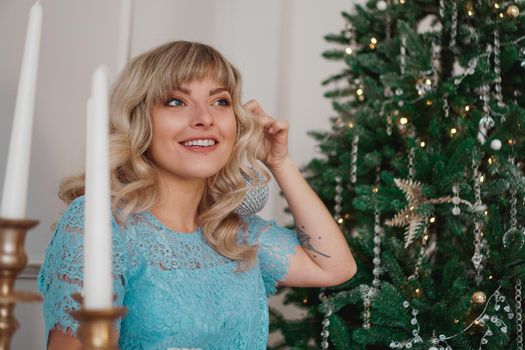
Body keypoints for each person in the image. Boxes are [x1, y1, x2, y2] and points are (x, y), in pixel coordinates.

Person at [38, 40, 357, 350]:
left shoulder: (233, 232)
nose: (204, 118)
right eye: (176, 101)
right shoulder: (100, 224)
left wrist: (279, 161)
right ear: (139, 120)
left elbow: (334, 268)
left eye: (220, 102)